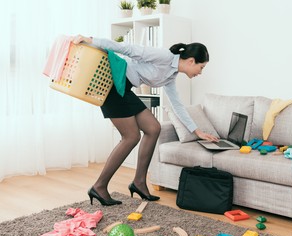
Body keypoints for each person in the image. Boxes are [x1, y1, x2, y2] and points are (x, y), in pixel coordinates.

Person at [72, 35, 218, 206]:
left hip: (124, 89)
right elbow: (128, 49)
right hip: (113, 84)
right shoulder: (164, 57)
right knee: (131, 137)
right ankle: (99, 186)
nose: (200, 73)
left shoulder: (171, 75)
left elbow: (177, 105)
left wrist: (197, 131)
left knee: (154, 128)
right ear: (191, 61)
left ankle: (139, 183)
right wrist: (91, 41)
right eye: (201, 67)